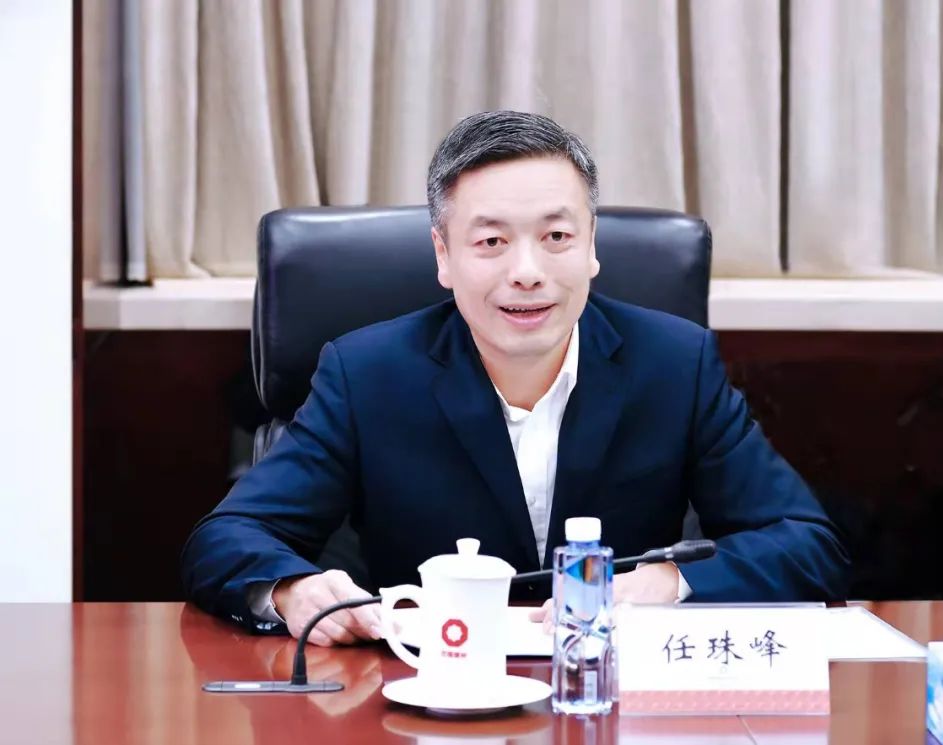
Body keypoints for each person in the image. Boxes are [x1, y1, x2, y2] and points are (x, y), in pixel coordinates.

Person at [181, 111, 849, 648]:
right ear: (444, 255)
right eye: (491, 242)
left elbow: (807, 545)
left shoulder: (675, 363)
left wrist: (669, 583)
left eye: (556, 237)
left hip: (611, 695)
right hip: (425, 696)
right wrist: (292, 591)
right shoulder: (368, 374)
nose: (527, 273)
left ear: (591, 246)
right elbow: (225, 538)